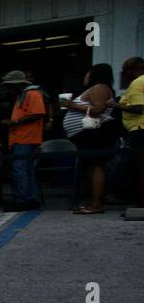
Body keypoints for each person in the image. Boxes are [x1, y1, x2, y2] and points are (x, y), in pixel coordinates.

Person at [63, 64, 118, 214]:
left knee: (95, 165)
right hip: (87, 134)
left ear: (95, 74)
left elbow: (98, 109)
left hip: (92, 132)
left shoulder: (99, 87)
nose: (85, 76)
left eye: (88, 73)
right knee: (91, 166)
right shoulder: (96, 89)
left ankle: (96, 204)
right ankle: (92, 202)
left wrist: (72, 105)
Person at [0, 69, 45, 211]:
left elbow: (38, 113)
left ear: (17, 84)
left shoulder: (32, 93)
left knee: (20, 169)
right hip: (22, 137)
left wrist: (15, 123)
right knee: (27, 170)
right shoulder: (24, 94)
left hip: (26, 138)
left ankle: (23, 200)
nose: (8, 88)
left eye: (9, 85)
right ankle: (31, 199)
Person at [116, 56, 144, 207]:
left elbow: (138, 108)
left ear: (132, 71)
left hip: (139, 129)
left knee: (140, 167)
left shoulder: (137, 83)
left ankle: (141, 203)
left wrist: (115, 105)